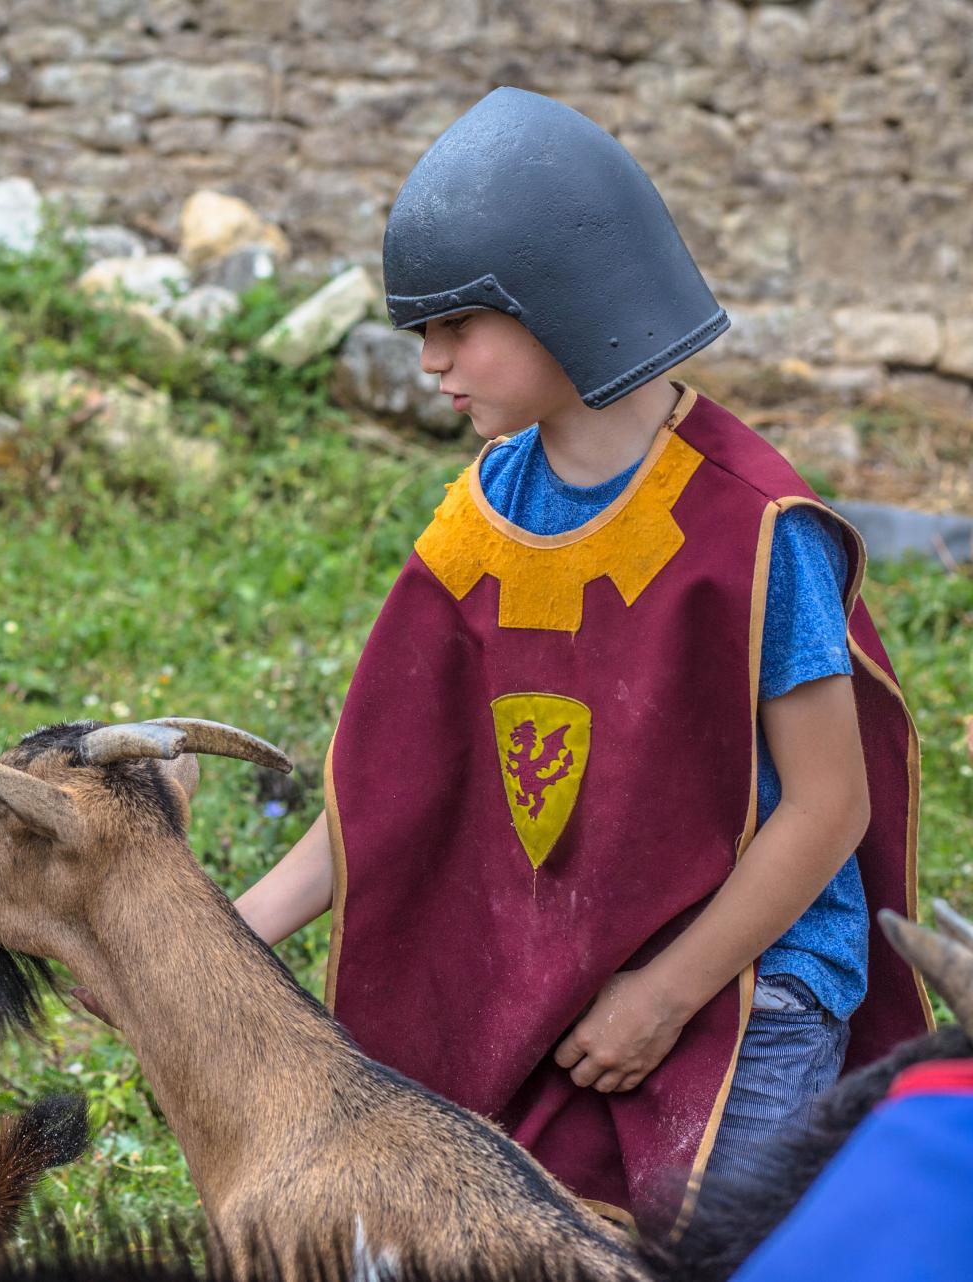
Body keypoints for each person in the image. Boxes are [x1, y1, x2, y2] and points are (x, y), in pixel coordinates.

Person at [232, 88, 929, 1233]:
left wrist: (662, 994)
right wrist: (225, 938)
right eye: (422, 333)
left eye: (456, 327)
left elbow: (826, 806)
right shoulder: (487, 511)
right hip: (560, 965)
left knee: (700, 1254)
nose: (428, 363)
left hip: (751, 986)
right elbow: (386, 795)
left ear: (564, 301)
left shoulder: (752, 529)